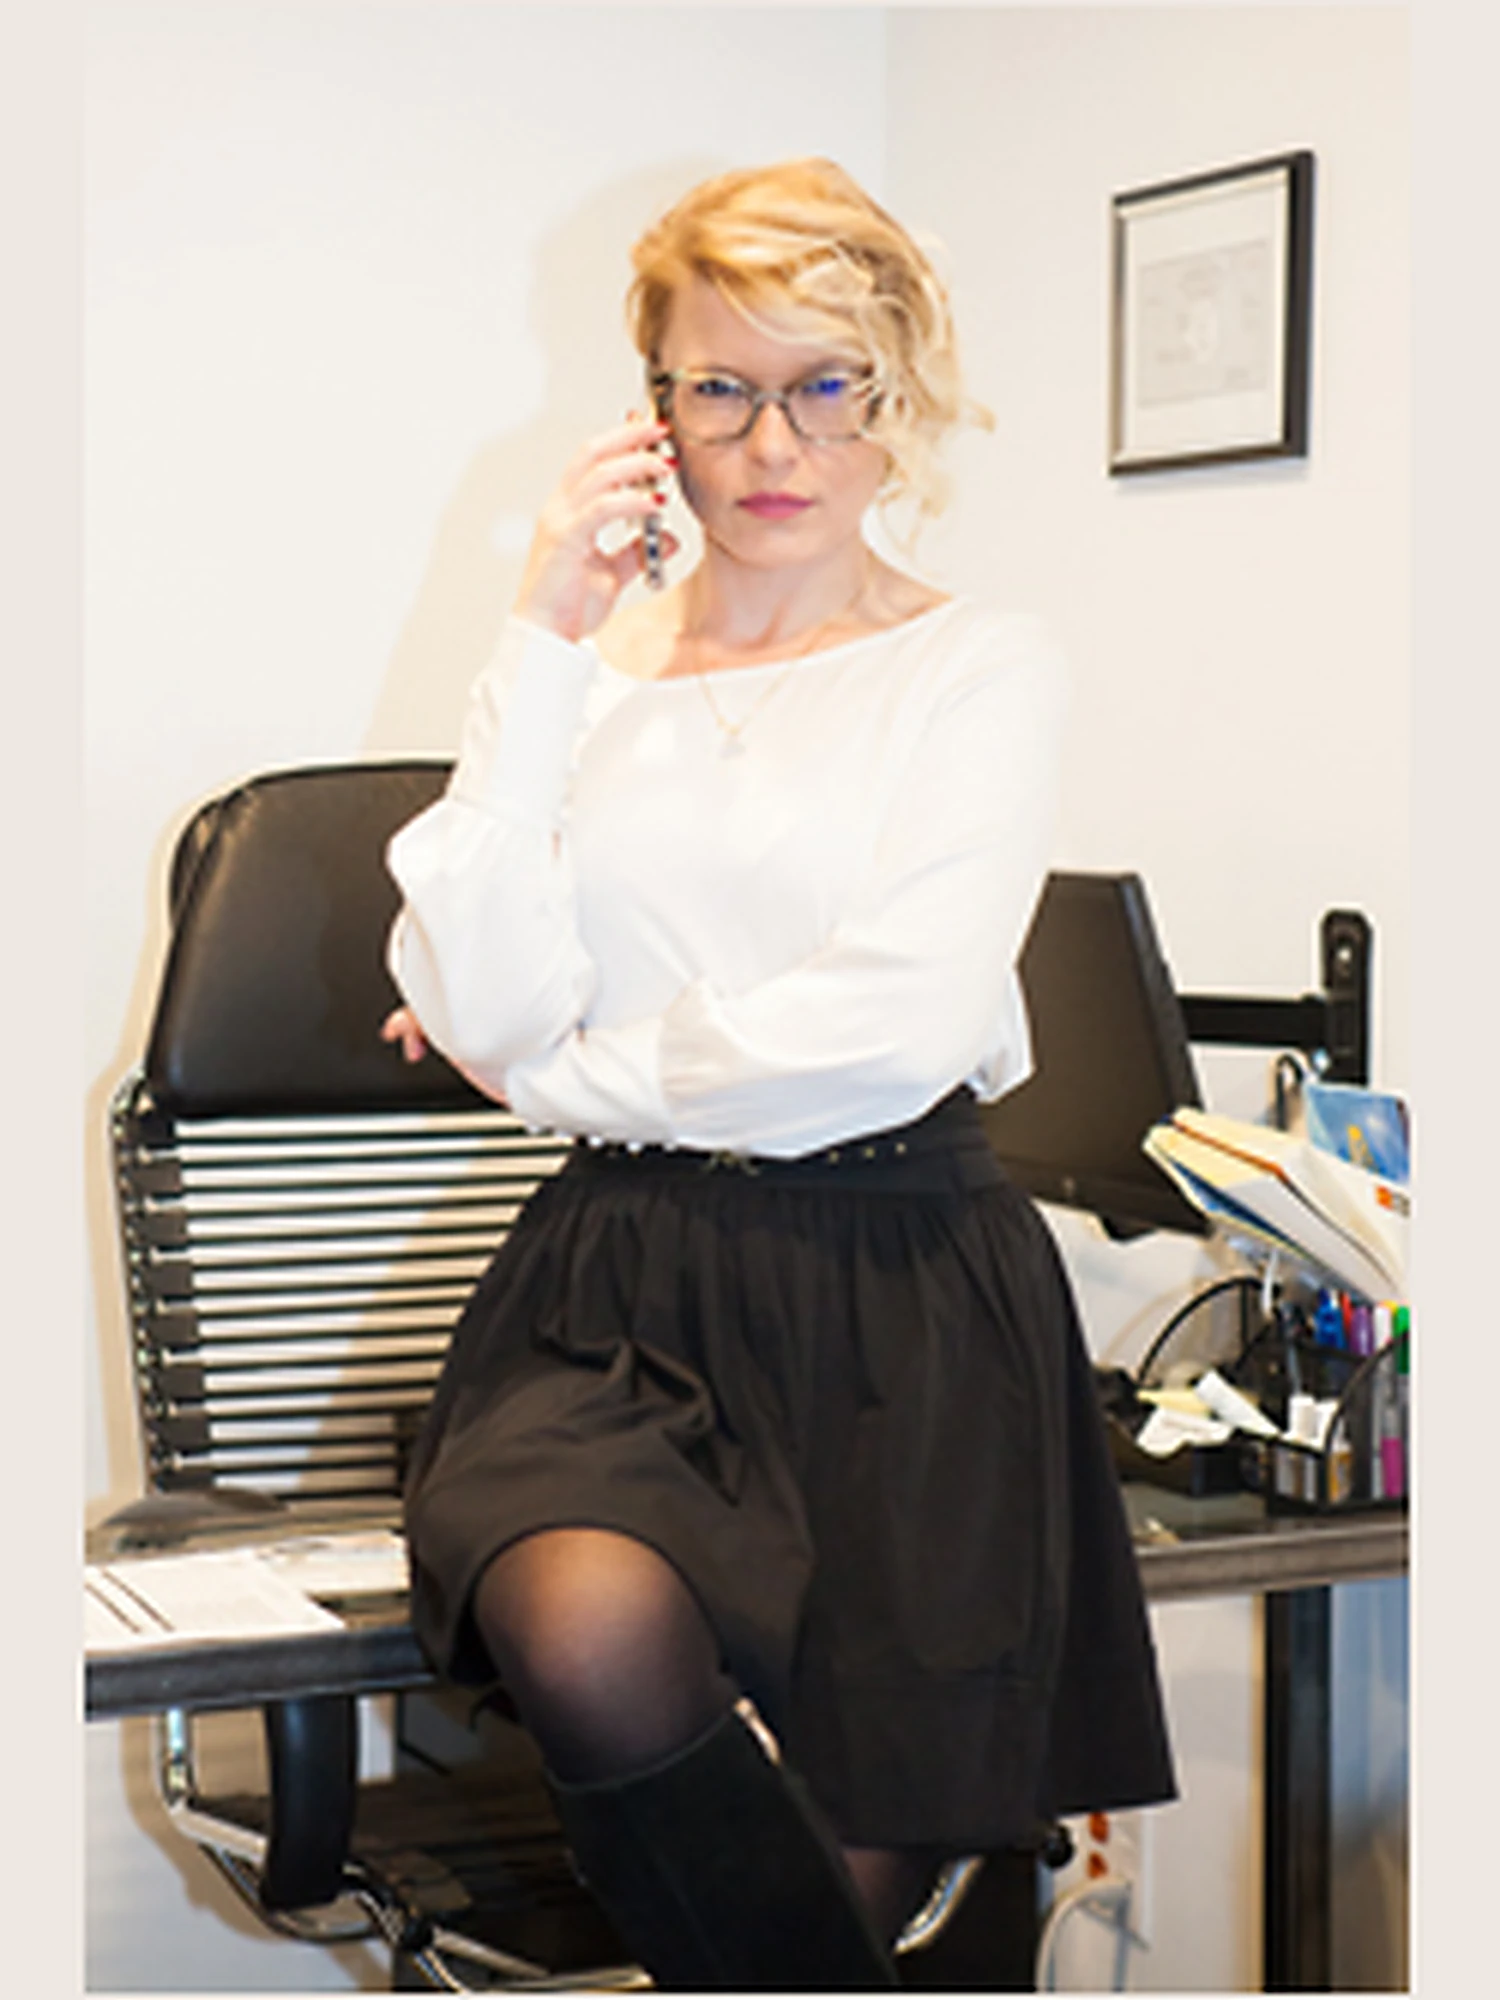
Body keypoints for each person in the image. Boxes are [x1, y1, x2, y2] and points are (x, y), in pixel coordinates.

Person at [381, 157, 1175, 1990]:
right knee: (585, 1630)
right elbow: (477, 988)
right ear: (652, 407)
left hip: (905, 1301)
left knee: (833, 1890)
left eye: (828, 386)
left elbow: (893, 1031)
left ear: (902, 396)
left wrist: (566, 1077)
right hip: (616, 1303)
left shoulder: (978, 667)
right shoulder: (588, 677)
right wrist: (543, 627)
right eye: (719, 388)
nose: (772, 442)